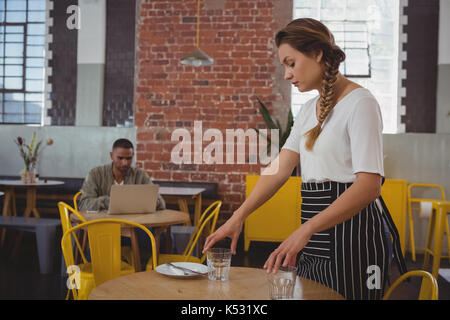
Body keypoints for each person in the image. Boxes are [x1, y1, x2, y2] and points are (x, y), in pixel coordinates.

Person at [203, 18, 406, 300]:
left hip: (354, 238)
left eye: (291, 63)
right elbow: (280, 168)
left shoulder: (361, 103)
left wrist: (306, 229)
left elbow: (370, 186)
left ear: (317, 54)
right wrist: (238, 217)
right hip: (313, 233)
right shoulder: (309, 109)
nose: (287, 74)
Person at [78, 138, 166, 211]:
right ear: (111, 156)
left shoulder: (140, 175)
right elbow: (83, 205)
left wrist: (135, 202)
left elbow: (161, 203)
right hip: (103, 224)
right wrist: (108, 201)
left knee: (149, 231)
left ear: (133, 156)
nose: (125, 163)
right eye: (120, 158)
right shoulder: (95, 174)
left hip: (134, 224)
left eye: (129, 158)